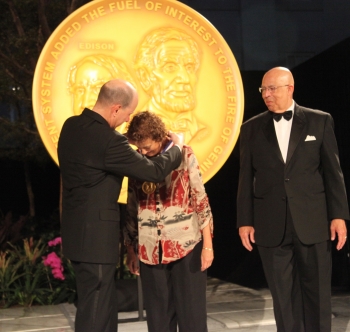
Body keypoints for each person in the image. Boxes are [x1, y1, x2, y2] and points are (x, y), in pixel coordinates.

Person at [57, 79, 183, 332]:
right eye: (127, 113)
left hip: (75, 233)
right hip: (95, 238)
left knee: (96, 303)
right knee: (97, 308)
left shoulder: (71, 126)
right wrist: (177, 146)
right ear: (116, 108)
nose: (126, 120)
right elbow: (154, 170)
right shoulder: (109, 141)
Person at [237, 67, 349, 332]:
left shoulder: (319, 121)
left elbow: (334, 173)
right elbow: (245, 179)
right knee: (283, 300)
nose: (267, 94)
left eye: (272, 88)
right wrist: (245, 221)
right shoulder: (250, 128)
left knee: (318, 295)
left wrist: (339, 216)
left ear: (290, 88)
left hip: (313, 221)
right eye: (263, 89)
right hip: (270, 225)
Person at [124, 111, 213, 332]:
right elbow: (131, 207)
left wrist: (208, 246)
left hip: (187, 246)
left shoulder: (184, 154)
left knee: (192, 318)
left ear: (160, 136)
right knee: (158, 321)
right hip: (149, 250)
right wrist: (130, 249)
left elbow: (200, 199)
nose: (143, 152)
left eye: (147, 147)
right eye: (139, 147)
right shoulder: (136, 161)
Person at [134, 27, 206, 144]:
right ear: (145, 77)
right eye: (170, 67)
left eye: (189, 67)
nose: (185, 79)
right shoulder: (129, 132)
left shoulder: (203, 131)